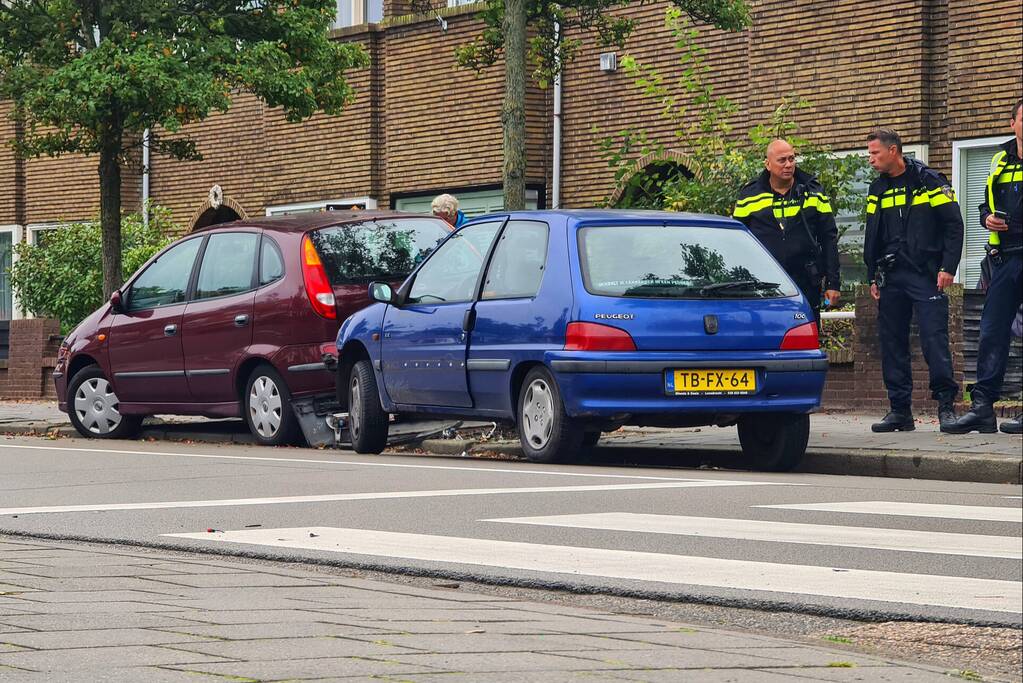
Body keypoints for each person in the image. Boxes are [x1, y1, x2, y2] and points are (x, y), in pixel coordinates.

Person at [863, 128, 964, 433]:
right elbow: (872, 236)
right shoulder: (876, 190)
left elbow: (953, 225)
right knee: (892, 344)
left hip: (925, 275)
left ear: (893, 151)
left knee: (934, 341)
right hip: (891, 277)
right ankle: (899, 411)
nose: (871, 160)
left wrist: (948, 267)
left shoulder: (928, 181)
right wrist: (872, 276)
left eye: (875, 153)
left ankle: (946, 407)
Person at [949, 99, 1023, 435]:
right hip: (1005, 259)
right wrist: (986, 218)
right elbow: (984, 203)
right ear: (1012, 123)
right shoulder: (999, 161)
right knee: (992, 332)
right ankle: (982, 409)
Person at [733, 139, 841, 323]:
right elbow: (737, 242)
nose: (789, 165)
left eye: (792, 159)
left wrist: (833, 283)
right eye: (782, 160)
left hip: (806, 282)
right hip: (763, 285)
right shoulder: (750, 195)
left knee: (806, 335)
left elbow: (828, 238)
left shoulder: (813, 192)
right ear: (768, 164)